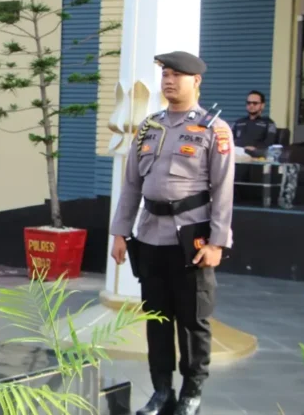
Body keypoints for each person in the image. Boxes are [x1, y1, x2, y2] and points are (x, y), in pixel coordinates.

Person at [109, 51, 234, 415]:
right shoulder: (150, 126)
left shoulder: (214, 128)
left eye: (177, 75)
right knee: (157, 318)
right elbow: (131, 183)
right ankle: (161, 391)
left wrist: (216, 242)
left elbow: (224, 190)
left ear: (196, 81)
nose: (168, 80)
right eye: (165, 73)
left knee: (193, 321)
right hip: (150, 237)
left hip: (191, 240)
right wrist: (120, 232)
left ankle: (191, 393)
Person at [231, 90, 276, 157]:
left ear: (262, 105)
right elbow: (230, 140)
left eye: (255, 103)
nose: (251, 105)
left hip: (256, 158)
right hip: (236, 156)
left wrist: (256, 150)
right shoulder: (238, 122)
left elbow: (269, 144)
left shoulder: (269, 123)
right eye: (249, 103)